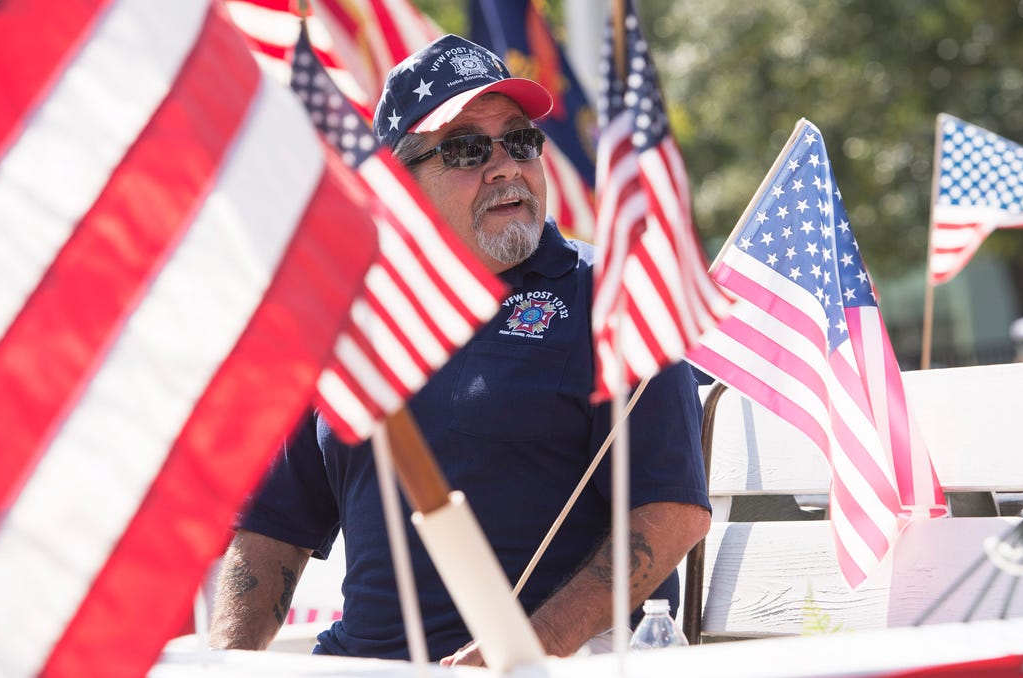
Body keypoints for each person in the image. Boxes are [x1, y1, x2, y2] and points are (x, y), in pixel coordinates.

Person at [208, 34, 711, 666]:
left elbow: (671, 512)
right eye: (469, 149)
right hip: (363, 663)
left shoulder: (617, 297)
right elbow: (271, 532)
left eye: (522, 141)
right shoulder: (351, 319)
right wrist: (223, 664)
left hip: (555, 663)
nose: (505, 166)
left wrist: (527, 649)